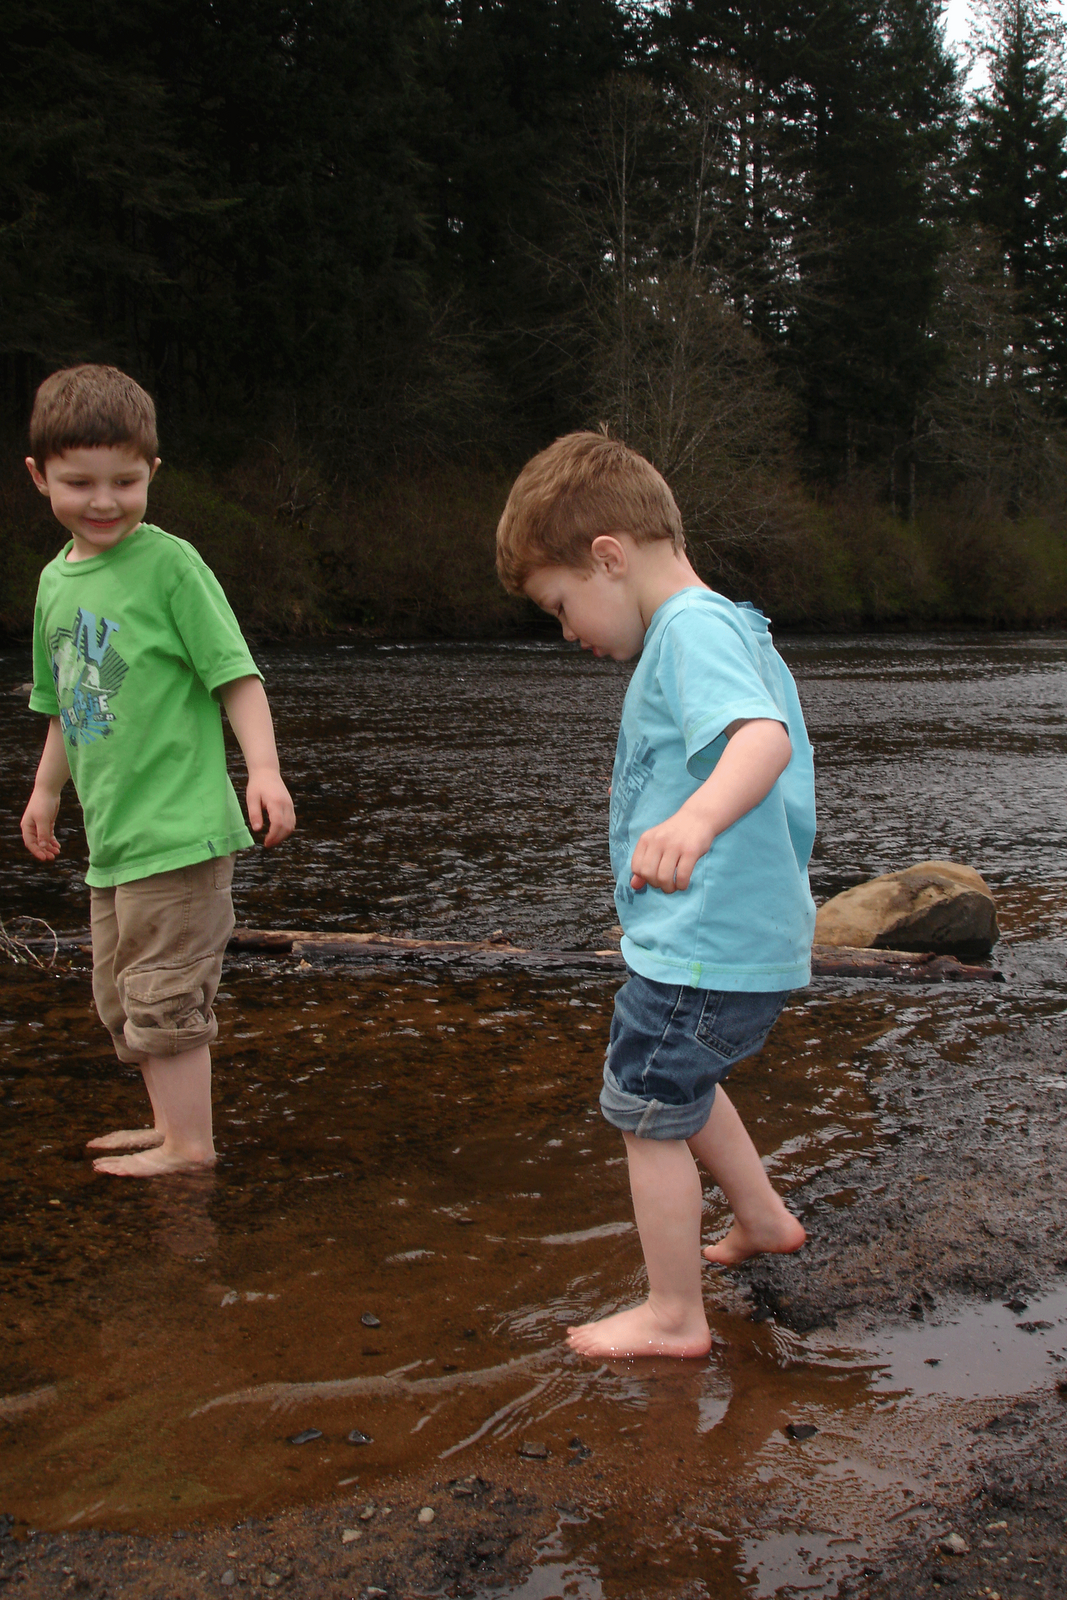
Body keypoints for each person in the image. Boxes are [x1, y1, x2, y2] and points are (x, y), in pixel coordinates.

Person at [496, 432, 815, 1358]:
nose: (567, 632)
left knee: (641, 1104)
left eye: (560, 606)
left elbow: (760, 740)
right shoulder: (719, 624)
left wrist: (694, 821)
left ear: (608, 557)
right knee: (682, 1081)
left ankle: (674, 1315)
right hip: (723, 935)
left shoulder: (689, 631)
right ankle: (760, 1218)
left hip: (705, 938)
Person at [20, 364, 295, 1178]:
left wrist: (263, 771)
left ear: (152, 473)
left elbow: (235, 675)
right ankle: (167, 1125)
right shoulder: (52, 583)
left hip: (179, 832)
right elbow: (66, 702)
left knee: (166, 994)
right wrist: (45, 790)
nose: (103, 502)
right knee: (123, 995)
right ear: (39, 477)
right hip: (114, 841)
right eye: (80, 483)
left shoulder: (171, 566)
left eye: (125, 482)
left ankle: (189, 1146)